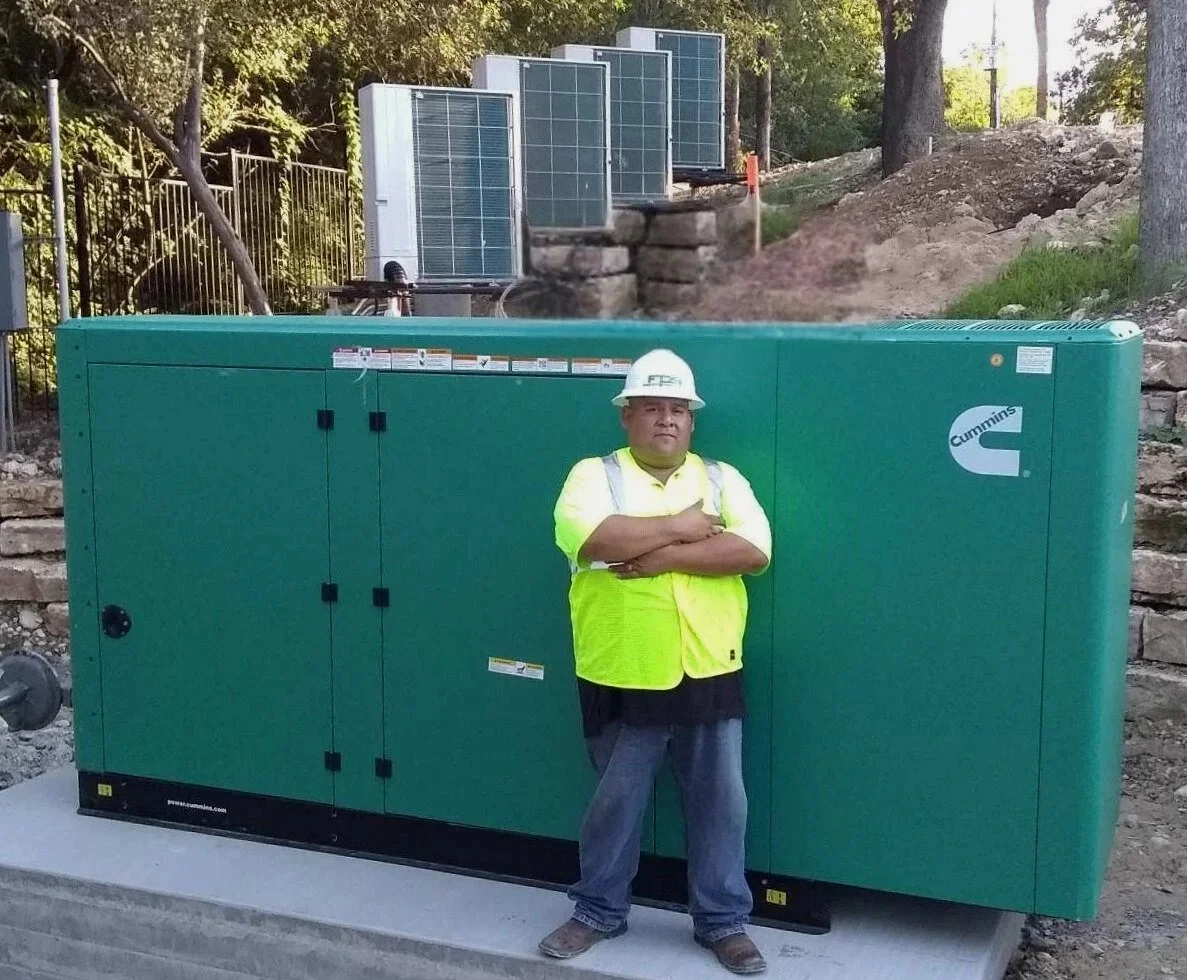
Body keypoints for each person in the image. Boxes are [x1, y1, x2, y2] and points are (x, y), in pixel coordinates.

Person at [541, 349, 772, 975]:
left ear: (692, 420)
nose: (666, 419)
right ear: (627, 416)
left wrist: (659, 556)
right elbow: (594, 538)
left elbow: (752, 550)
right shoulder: (593, 476)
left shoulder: (723, 478)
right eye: (651, 408)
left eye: (677, 409)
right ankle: (597, 911)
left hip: (709, 666)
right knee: (615, 804)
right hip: (622, 667)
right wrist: (685, 525)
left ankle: (723, 922)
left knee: (721, 803)